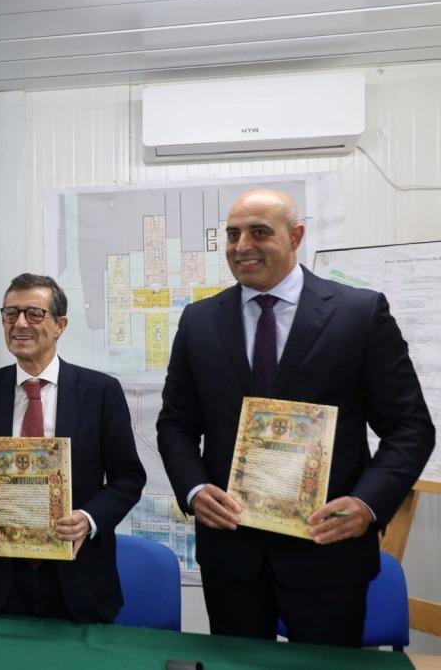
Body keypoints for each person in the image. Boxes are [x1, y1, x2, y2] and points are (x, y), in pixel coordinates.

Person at [157, 187, 435, 647]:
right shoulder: (199, 321)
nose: (242, 246)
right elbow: (175, 424)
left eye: (258, 232)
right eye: (233, 234)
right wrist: (194, 489)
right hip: (232, 553)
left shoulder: (358, 314)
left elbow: (410, 428)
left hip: (327, 550)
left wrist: (366, 505)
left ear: (296, 236)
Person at [0, 273, 145, 622]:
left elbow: (128, 479)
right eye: (11, 313)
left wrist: (88, 519)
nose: (20, 323)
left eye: (34, 314)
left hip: (79, 576)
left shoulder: (100, 392)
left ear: (59, 325)